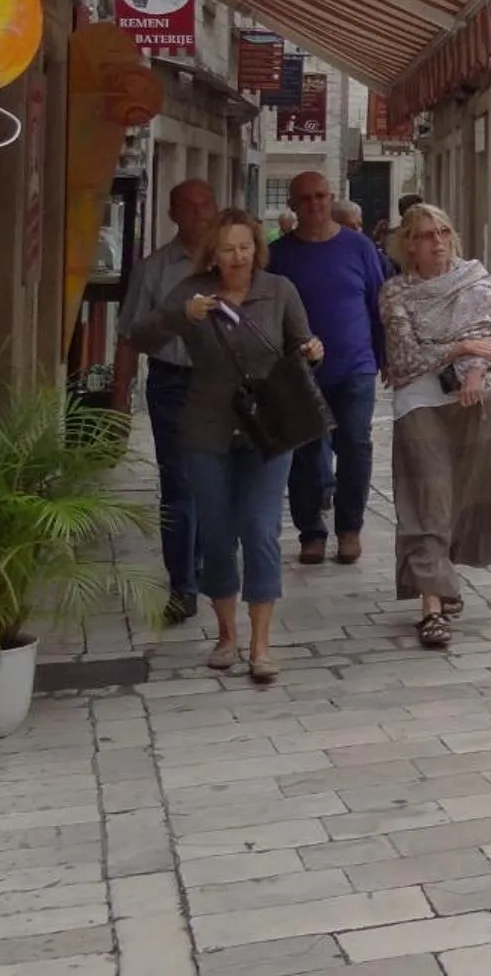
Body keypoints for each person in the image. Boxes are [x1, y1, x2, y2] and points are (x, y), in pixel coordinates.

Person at [129, 208, 323, 681]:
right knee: (215, 535)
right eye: (228, 248)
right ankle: (226, 636)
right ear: (212, 254)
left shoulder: (279, 291)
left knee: (260, 529)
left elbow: (303, 344)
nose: (238, 257)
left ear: (257, 248)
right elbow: (139, 334)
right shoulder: (193, 291)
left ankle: (260, 644)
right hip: (208, 426)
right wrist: (182, 313)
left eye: (245, 247)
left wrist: (313, 351)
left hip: (268, 427)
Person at [380, 203, 491, 650]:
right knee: (426, 498)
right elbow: (403, 361)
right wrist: (458, 347)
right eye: (423, 235)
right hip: (418, 400)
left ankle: (443, 574)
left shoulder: (475, 280)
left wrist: (470, 363)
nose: (436, 242)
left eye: (442, 231)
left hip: (473, 399)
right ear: (408, 243)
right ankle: (431, 607)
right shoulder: (395, 293)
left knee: (465, 495)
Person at [267, 172, 390, 566]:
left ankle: (349, 528)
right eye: (304, 199)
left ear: (331, 197)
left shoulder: (358, 248)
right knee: (304, 450)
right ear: (293, 204)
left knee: (355, 445)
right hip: (299, 371)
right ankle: (311, 532)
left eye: (320, 196)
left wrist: (384, 356)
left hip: (355, 365)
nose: (314, 204)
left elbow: (377, 303)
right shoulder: (280, 255)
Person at [113, 179, 217, 625]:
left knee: (208, 481)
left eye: (205, 206)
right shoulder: (154, 270)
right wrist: (119, 402)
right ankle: (182, 585)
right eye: (189, 208)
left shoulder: (230, 265)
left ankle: (199, 561)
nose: (199, 215)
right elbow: (128, 339)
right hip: (171, 384)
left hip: (219, 385)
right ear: (173, 214)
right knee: (177, 484)